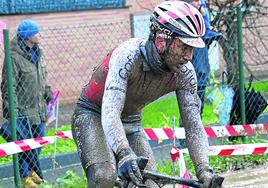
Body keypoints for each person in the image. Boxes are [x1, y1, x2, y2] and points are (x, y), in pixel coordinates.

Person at [71, 1, 223, 188]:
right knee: (104, 176)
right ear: (161, 42)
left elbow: (193, 125)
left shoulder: (185, 72)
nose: (189, 56)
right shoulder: (128, 56)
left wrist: (204, 170)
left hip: (131, 123)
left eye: (192, 49)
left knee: (151, 184)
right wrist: (124, 152)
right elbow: (110, 112)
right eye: (184, 47)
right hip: (92, 115)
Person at [0, 19, 52, 188]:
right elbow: (9, 86)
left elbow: (42, 76)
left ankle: (31, 171)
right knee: (23, 146)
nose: (40, 35)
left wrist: (48, 91)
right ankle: (24, 177)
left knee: (38, 142)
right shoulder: (13, 57)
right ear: (28, 36)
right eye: (36, 32)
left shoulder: (39, 52)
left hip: (39, 108)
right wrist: (13, 111)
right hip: (22, 110)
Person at [181, 0, 222, 117]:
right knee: (191, 100)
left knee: (201, 82)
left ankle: (196, 120)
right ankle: (187, 127)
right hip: (193, 75)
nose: (198, 3)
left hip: (200, 50)